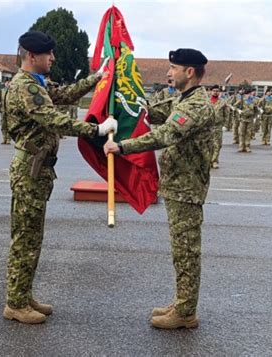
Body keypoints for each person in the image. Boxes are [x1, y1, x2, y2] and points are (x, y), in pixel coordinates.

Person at [3, 30, 117, 324]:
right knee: (25, 238)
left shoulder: (37, 84)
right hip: (30, 169)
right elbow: (54, 118)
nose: (52, 58)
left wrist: (98, 77)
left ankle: (23, 294)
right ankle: (15, 303)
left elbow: (64, 95)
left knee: (32, 237)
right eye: (48, 54)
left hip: (38, 169)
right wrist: (96, 130)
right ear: (32, 56)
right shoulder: (25, 87)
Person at [105, 48, 214, 329]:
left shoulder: (196, 105)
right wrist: (119, 102)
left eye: (173, 68)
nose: (168, 73)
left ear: (189, 72)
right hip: (178, 186)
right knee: (180, 249)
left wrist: (123, 147)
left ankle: (186, 312)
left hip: (187, 189)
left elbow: (166, 134)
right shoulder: (183, 99)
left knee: (186, 250)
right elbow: (150, 114)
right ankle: (182, 301)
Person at [210, 84, 228, 167]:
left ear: (219, 92)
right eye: (214, 91)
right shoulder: (206, 101)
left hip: (218, 126)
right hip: (208, 126)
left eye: (217, 91)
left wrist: (225, 125)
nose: (215, 92)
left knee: (217, 144)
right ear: (211, 92)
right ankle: (208, 160)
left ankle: (214, 161)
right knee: (208, 144)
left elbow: (226, 114)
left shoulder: (222, 102)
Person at [235, 87, 257, 153]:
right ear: (245, 94)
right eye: (247, 94)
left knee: (248, 133)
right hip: (243, 118)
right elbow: (234, 106)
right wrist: (238, 110)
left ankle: (247, 146)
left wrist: (255, 116)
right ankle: (241, 146)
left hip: (250, 119)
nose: (249, 95)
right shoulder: (242, 100)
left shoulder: (253, 100)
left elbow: (255, 109)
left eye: (249, 94)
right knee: (241, 133)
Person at [0, 79, 11, 144]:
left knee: (9, 125)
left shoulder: (12, 91)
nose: (7, 84)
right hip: (3, 110)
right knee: (3, 125)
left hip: (10, 111)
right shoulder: (1, 91)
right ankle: (4, 138)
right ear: (4, 83)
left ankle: (8, 139)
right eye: (6, 83)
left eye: (9, 82)